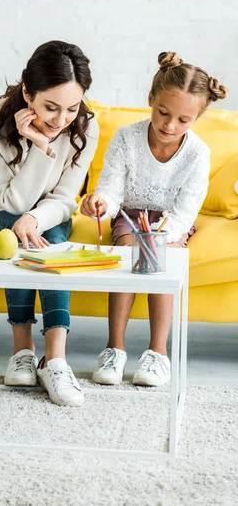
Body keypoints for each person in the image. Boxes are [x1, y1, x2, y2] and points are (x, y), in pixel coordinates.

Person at [0, 40, 99, 406]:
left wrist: (33, 218)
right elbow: (12, 201)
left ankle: (55, 360)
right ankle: (24, 351)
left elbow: (66, 200)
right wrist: (39, 145)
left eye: (71, 107)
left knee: (42, 232)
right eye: (50, 107)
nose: (61, 119)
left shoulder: (85, 128)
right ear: (26, 92)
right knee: (32, 232)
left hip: (45, 222)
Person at [81, 51, 227, 387]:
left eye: (182, 120)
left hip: (170, 223)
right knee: (131, 256)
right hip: (130, 218)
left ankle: (157, 353)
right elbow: (111, 189)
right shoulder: (126, 138)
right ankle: (114, 348)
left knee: (161, 257)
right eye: (163, 113)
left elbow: (186, 209)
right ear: (151, 99)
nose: (169, 125)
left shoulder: (198, 153)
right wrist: (100, 202)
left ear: (197, 117)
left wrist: (160, 236)